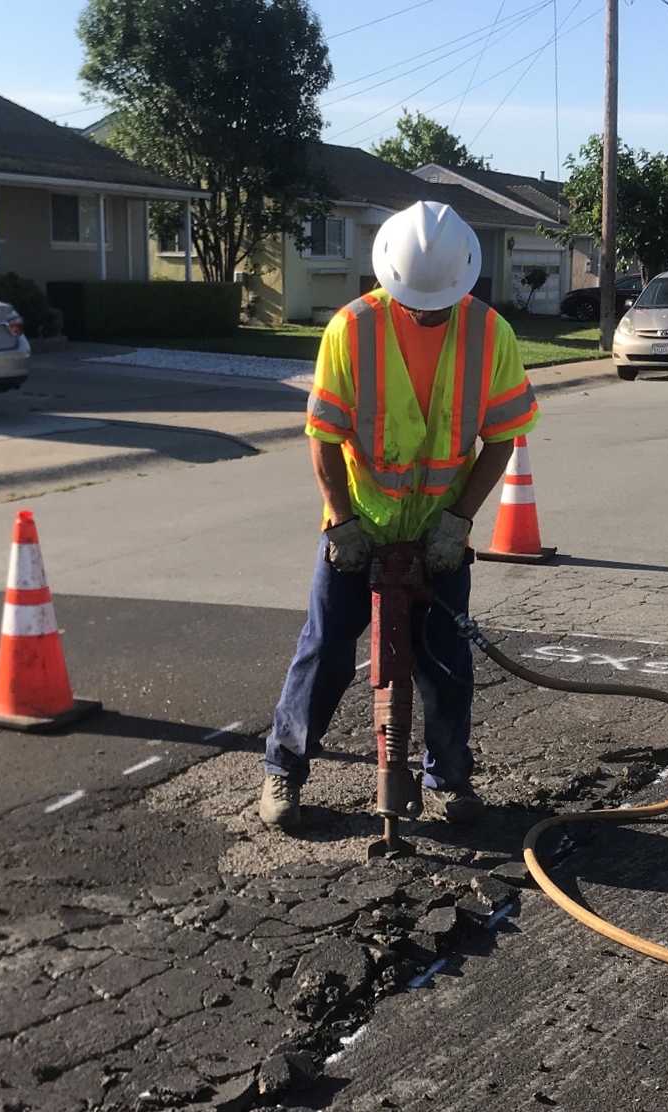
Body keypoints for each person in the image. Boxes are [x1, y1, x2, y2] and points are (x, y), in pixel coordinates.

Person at [259, 200, 540, 830]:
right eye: (416, 301)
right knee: (326, 650)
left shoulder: (489, 333)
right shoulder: (352, 329)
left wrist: (460, 520)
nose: (428, 311)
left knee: (445, 661)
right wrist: (341, 519)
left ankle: (450, 778)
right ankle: (284, 769)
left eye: (439, 302)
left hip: (440, 533)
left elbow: (501, 437)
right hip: (360, 526)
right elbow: (324, 435)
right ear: (389, 279)